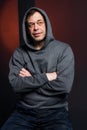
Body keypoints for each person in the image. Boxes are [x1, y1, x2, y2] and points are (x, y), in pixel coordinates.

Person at [1, 7, 74, 130]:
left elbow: (64, 86)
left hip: (55, 112)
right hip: (24, 112)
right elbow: (16, 85)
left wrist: (30, 80)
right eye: (31, 24)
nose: (36, 28)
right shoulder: (19, 53)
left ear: (46, 24)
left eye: (39, 22)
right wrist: (47, 76)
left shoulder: (64, 50)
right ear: (27, 29)